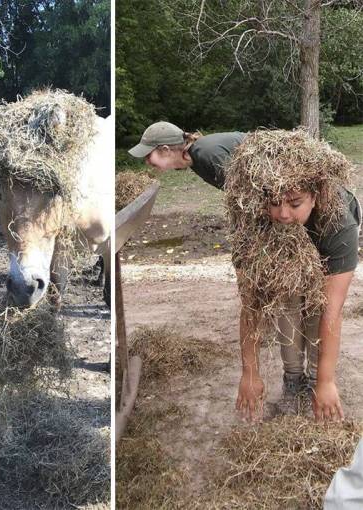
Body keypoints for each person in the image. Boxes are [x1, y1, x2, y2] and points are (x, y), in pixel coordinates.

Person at [128, 122, 360, 423]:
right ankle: (293, 383)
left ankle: (317, 383)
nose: (284, 214)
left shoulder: (339, 223)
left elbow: (333, 310)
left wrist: (327, 381)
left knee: (317, 302)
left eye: (295, 203)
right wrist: (250, 372)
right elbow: (252, 303)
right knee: (284, 295)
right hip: (272, 235)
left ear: (314, 196)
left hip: (324, 233)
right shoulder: (257, 218)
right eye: (274, 202)